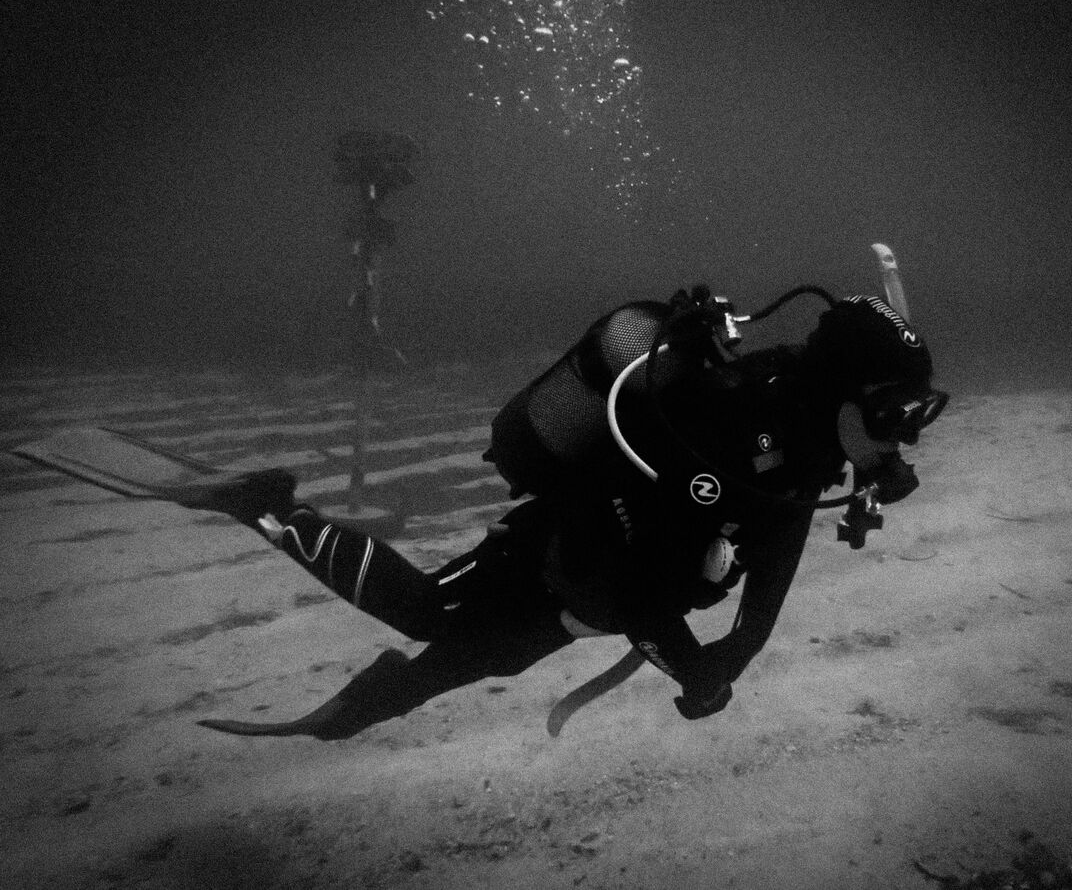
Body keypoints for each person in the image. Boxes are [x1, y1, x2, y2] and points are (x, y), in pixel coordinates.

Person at [196, 287, 948, 739]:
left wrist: (741, 649)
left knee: (480, 657)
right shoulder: (739, 437)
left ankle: (358, 709)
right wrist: (699, 670)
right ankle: (271, 509)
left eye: (912, 414)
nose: (902, 437)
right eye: (894, 413)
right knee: (427, 611)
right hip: (558, 555)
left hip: (585, 597)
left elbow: (780, 539)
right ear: (841, 392)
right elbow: (643, 597)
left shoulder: (800, 444)